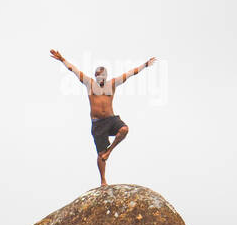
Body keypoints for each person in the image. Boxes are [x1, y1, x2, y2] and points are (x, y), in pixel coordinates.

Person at [49, 49, 157, 186]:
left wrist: (145, 65)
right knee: (101, 154)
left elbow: (130, 73)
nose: (99, 79)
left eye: (101, 76)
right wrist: (62, 59)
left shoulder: (112, 84)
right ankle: (103, 180)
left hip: (111, 120)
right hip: (98, 123)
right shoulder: (89, 84)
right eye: (97, 76)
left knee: (124, 129)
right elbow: (73, 70)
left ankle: (109, 151)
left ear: (105, 76)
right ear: (95, 76)